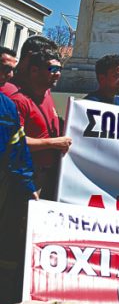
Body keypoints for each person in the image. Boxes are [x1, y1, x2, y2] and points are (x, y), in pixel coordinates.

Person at [4, 39, 70, 200]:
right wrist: (52, 143)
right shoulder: (15, 99)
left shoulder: (46, 94)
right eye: (53, 69)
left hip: (49, 176)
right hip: (25, 178)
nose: (58, 74)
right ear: (33, 68)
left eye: (60, 69)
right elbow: (12, 142)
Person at [0, 84, 37, 304]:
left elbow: (18, 149)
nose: (9, 75)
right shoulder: (14, 102)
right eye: (4, 69)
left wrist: (27, 183)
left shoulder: (7, 105)